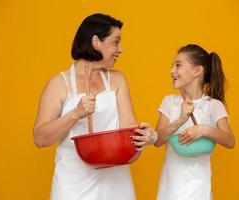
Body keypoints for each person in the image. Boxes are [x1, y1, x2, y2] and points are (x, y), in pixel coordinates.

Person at [33, 13, 157, 200]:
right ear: (96, 42)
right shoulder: (59, 84)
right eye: (116, 42)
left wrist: (144, 137)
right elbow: (40, 138)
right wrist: (75, 113)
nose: (120, 49)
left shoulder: (117, 80)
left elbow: (128, 132)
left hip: (116, 185)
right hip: (72, 185)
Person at [154, 44, 235, 200]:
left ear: (197, 71)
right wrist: (180, 120)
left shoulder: (212, 105)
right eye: (172, 66)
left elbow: (230, 141)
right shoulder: (169, 102)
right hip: (171, 184)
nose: (172, 71)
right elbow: (157, 140)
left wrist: (203, 130)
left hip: (200, 186)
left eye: (178, 65)